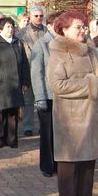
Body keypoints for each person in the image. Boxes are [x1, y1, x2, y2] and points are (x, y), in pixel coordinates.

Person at [47, 11, 98, 196]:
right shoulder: (59, 53)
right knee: (69, 161)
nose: (82, 30)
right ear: (64, 30)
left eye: (84, 26)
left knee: (89, 158)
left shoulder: (91, 51)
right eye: (77, 27)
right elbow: (57, 85)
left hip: (92, 113)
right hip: (70, 116)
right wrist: (91, 83)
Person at [0, 17, 30, 148]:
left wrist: (25, 81)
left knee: (12, 114)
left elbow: (24, 64)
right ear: (0, 29)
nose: (11, 29)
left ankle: (12, 139)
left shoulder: (17, 43)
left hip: (15, 85)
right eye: (8, 27)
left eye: (12, 26)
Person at [30, 11, 62, 177]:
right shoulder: (41, 44)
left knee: (61, 133)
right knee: (47, 133)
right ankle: (47, 166)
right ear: (49, 26)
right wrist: (40, 97)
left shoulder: (66, 43)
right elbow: (36, 72)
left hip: (64, 96)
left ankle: (60, 163)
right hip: (48, 96)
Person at [20, 6, 46, 137]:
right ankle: (28, 126)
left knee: (44, 100)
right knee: (28, 101)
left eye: (41, 16)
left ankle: (44, 125)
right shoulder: (23, 33)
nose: (39, 18)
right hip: (30, 70)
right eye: (36, 16)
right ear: (30, 16)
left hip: (46, 72)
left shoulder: (47, 31)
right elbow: (25, 54)